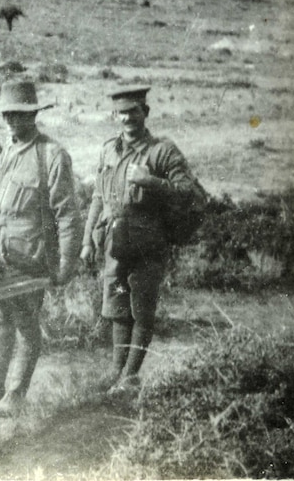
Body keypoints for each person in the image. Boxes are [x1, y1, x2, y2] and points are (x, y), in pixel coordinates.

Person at [0, 80, 82, 418]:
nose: (12, 120)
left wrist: (67, 264)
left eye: (20, 114)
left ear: (34, 114)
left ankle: (15, 394)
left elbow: (68, 214)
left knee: (26, 321)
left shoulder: (51, 155)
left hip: (29, 255)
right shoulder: (6, 150)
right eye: (8, 113)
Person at [79, 87, 199, 395]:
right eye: (122, 112)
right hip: (113, 245)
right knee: (119, 308)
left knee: (142, 310)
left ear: (145, 112)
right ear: (114, 116)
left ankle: (130, 377)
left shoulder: (163, 150)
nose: (128, 117)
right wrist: (87, 241)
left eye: (134, 111)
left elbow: (188, 191)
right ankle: (117, 373)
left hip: (147, 245)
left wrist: (151, 182)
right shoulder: (108, 149)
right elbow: (97, 196)